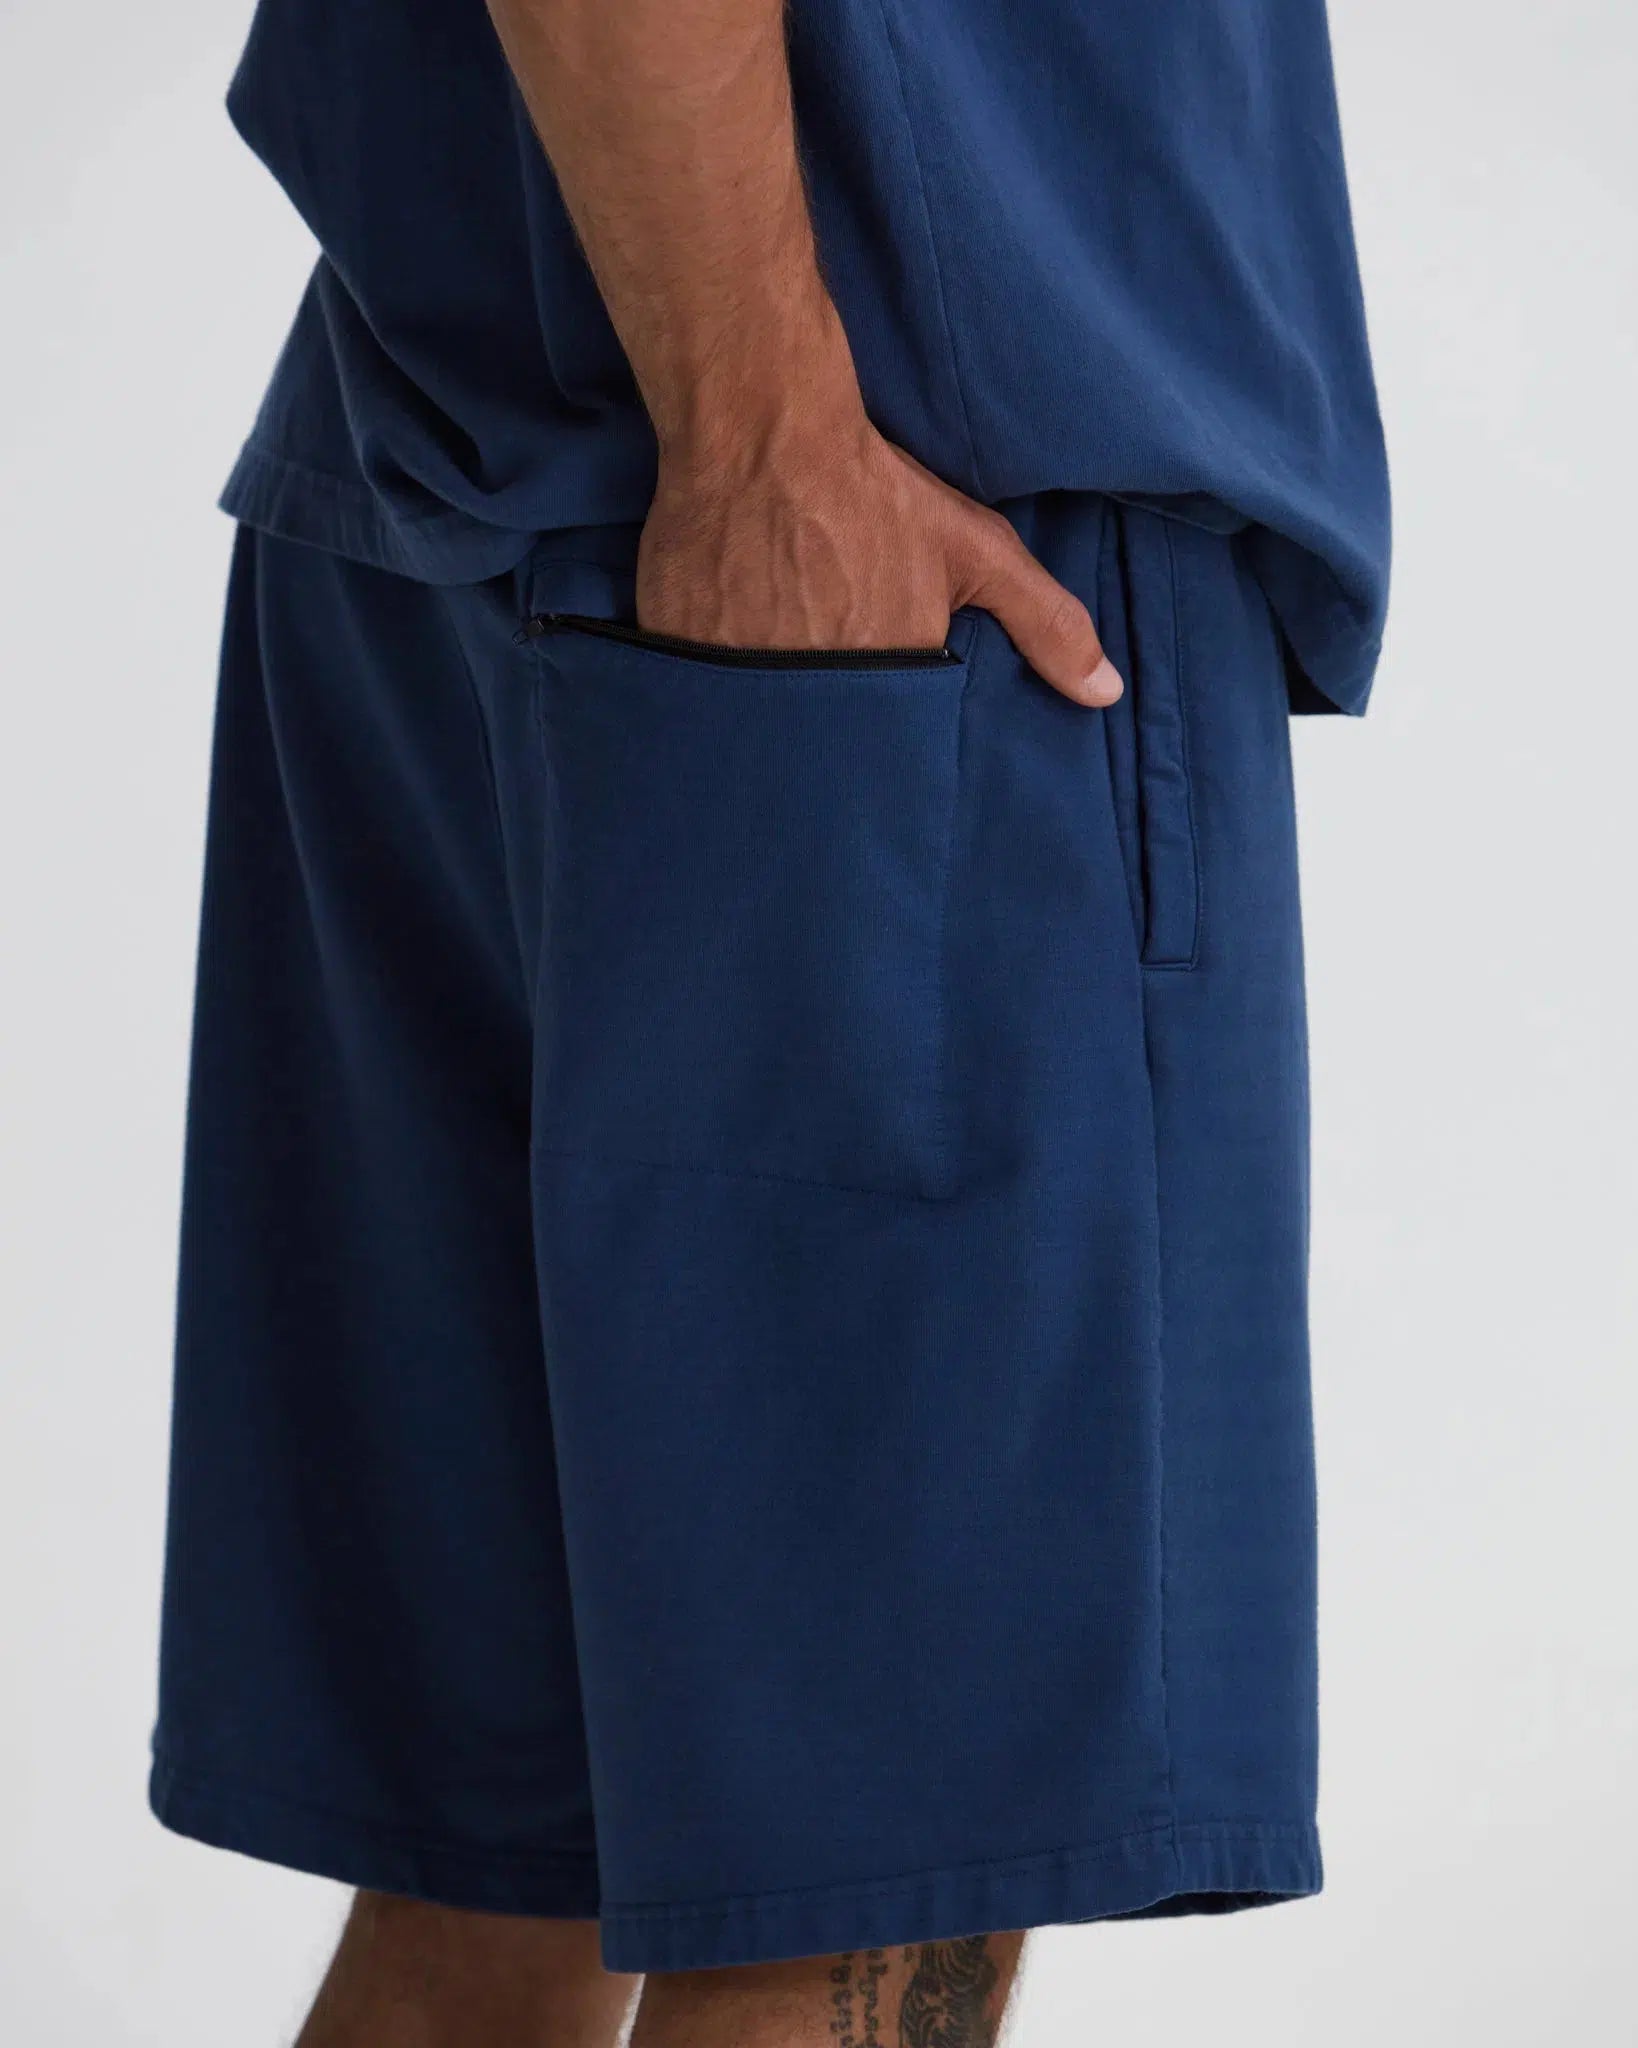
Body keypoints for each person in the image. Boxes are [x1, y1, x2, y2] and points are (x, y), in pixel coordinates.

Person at [150, 0, 1389, 2041]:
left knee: (492, 1892)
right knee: (867, 1897)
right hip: (892, 529)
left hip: (475, 452)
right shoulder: (811, 459)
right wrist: (762, 435)